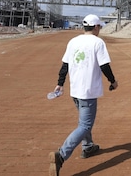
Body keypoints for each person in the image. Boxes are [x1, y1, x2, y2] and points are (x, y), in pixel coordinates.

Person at [49, 14, 118, 176]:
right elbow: (104, 66)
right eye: (99, 26)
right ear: (95, 27)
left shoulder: (73, 41)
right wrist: (113, 81)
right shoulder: (97, 42)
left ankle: (88, 147)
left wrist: (60, 83)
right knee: (85, 125)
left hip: (75, 90)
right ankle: (61, 155)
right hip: (88, 91)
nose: (99, 29)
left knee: (83, 121)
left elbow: (64, 65)